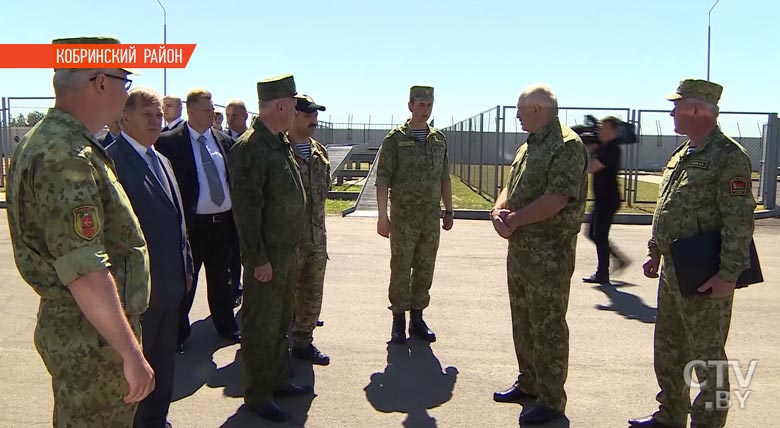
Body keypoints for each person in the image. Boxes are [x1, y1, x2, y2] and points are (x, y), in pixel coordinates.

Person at [6, 36, 154, 427]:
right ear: (100, 81)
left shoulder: (50, 140)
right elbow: (86, 270)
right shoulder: (67, 155)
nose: (128, 90)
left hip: (84, 330)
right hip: (93, 339)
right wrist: (130, 353)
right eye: (125, 80)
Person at [628, 79, 756, 428]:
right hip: (674, 268)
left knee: (707, 358)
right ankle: (670, 415)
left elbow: (738, 220)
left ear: (698, 110)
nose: (671, 112)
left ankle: (708, 423)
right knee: (669, 349)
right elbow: (668, 207)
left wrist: (728, 274)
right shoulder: (684, 153)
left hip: (705, 272)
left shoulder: (728, 156)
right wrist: (656, 251)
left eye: (678, 105)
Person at [490, 84, 588, 426]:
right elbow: (510, 185)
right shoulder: (530, 145)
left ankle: (551, 398)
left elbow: (558, 197)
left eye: (519, 109)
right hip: (521, 249)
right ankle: (529, 382)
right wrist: (499, 209)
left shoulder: (566, 146)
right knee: (524, 320)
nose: (516, 115)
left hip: (549, 254)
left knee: (547, 325)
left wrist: (515, 219)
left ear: (536, 110)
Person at [106, 87, 193, 428]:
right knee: (135, 368)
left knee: (163, 362)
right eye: (148, 115)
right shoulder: (111, 161)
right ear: (125, 117)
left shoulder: (163, 160)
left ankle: (157, 419)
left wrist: (186, 267)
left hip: (170, 285)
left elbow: (178, 221)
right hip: (136, 292)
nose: (157, 121)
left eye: (159, 115)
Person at [230, 74, 311, 422]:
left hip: (286, 252)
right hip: (267, 258)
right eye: (293, 105)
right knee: (261, 324)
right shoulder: (251, 148)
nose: (296, 111)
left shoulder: (278, 142)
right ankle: (258, 393)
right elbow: (247, 212)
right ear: (280, 106)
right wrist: (258, 259)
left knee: (280, 321)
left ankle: (277, 379)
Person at [156, 89, 240, 351]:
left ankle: (225, 326)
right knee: (186, 282)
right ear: (191, 111)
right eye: (206, 109)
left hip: (222, 223)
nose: (211, 113)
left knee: (221, 279)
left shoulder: (224, 142)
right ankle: (178, 334)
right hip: (192, 227)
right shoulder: (169, 143)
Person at [375, 85, 454, 345]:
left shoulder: (438, 139)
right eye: (421, 105)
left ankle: (417, 318)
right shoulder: (395, 139)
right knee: (400, 268)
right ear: (410, 106)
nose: (425, 110)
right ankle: (398, 319)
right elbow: (383, 179)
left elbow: (444, 177)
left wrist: (449, 210)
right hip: (404, 218)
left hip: (430, 217)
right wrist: (382, 216)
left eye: (429, 105)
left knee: (424, 268)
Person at [288, 94, 331, 366]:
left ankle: (304, 342)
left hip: (316, 240)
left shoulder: (320, 151)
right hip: (289, 242)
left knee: (313, 295)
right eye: (307, 115)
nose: (313, 120)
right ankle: (279, 353)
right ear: (292, 116)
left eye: (315, 115)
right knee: (285, 300)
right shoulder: (280, 151)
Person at [582, 116, 629, 284]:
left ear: (613, 131)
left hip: (608, 199)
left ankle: (603, 273)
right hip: (602, 198)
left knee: (599, 235)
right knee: (592, 233)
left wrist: (588, 153)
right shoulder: (605, 147)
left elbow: (593, 167)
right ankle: (618, 260)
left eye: (604, 128)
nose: (600, 130)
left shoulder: (612, 149)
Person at [224, 99, 250, 307]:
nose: (230, 119)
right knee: (231, 251)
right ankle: (234, 289)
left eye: (235, 116)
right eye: (228, 115)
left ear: (246, 117)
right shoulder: (221, 140)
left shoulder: (253, 140)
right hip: (229, 206)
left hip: (250, 205)